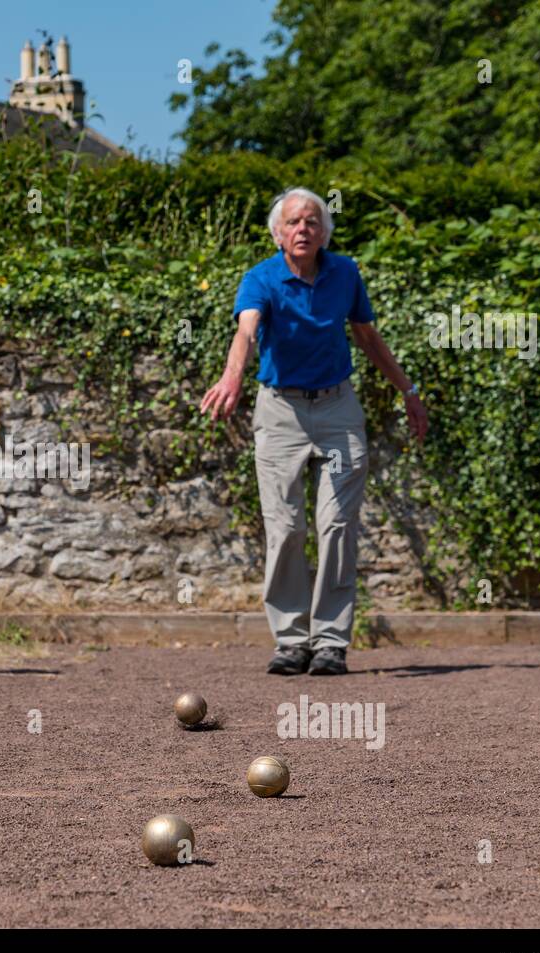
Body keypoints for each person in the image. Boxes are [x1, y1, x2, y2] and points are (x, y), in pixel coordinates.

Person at [201, 188, 429, 676]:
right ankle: (290, 640)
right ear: (278, 234)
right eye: (293, 223)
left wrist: (408, 391)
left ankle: (329, 642)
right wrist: (232, 375)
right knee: (285, 527)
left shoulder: (345, 272)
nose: (303, 229)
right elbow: (246, 330)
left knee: (337, 524)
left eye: (311, 221)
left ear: (324, 231)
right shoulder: (260, 278)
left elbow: (366, 335)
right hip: (280, 410)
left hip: (338, 409)